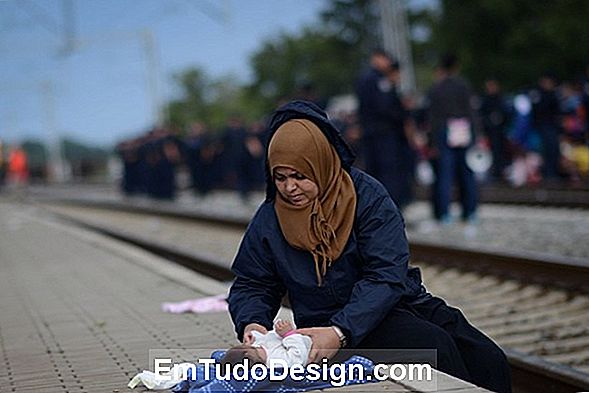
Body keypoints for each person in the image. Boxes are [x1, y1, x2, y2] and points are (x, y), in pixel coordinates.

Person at [228, 100, 512, 393]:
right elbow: (252, 282)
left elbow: (386, 274)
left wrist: (340, 331)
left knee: (486, 357)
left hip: (388, 305)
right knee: (435, 348)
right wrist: (253, 324)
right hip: (324, 325)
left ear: (321, 164)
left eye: (300, 176)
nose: (289, 188)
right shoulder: (270, 217)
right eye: (281, 177)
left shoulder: (367, 196)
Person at [356, 49, 411, 208]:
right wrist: (403, 113)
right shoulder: (379, 79)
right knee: (389, 174)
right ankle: (390, 209)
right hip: (384, 134)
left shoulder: (363, 79)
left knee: (373, 174)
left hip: (370, 133)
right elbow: (385, 107)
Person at [426, 54, 478, 223]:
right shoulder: (463, 86)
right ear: (456, 67)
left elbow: (432, 117)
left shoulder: (436, 89)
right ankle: (469, 211)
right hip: (463, 130)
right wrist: (477, 135)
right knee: (466, 172)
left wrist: (432, 142)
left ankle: (444, 213)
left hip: (443, 131)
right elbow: (471, 112)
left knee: (444, 174)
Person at [221, 320, 312, 367]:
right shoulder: (278, 362)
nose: (257, 346)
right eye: (255, 348)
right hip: (311, 343)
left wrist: (252, 333)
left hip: (294, 332)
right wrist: (289, 334)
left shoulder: (259, 350)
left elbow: (262, 337)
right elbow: (298, 356)